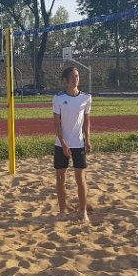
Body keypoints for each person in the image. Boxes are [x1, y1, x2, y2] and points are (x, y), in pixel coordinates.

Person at [53, 66, 92, 223]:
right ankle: (62, 211)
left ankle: (83, 212)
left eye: (77, 76)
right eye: (73, 76)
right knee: (60, 178)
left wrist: (87, 139)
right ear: (65, 80)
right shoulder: (58, 98)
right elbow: (57, 124)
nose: (76, 79)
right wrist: (63, 143)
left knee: (80, 179)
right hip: (61, 144)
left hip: (78, 143)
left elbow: (87, 121)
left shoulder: (86, 98)